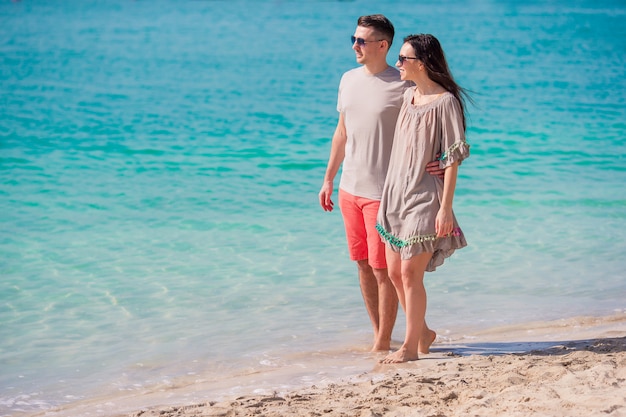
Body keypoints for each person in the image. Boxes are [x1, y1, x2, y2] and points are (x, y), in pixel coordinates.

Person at [318, 15, 443, 352]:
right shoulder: (348, 80)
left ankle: (383, 342)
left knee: (383, 270)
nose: (355, 46)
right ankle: (393, 334)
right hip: (349, 189)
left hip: (385, 194)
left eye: (362, 41)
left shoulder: (403, 84)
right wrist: (329, 178)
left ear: (383, 45)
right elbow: (342, 133)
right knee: (362, 265)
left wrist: (440, 162)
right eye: (354, 39)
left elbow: (434, 117)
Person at [376, 33, 471, 363]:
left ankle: (410, 347)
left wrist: (445, 208)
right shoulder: (408, 97)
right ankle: (425, 332)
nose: (398, 64)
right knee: (392, 272)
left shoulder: (446, 102)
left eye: (404, 59)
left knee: (409, 275)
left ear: (423, 63)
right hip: (396, 194)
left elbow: (452, 157)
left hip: (425, 198)